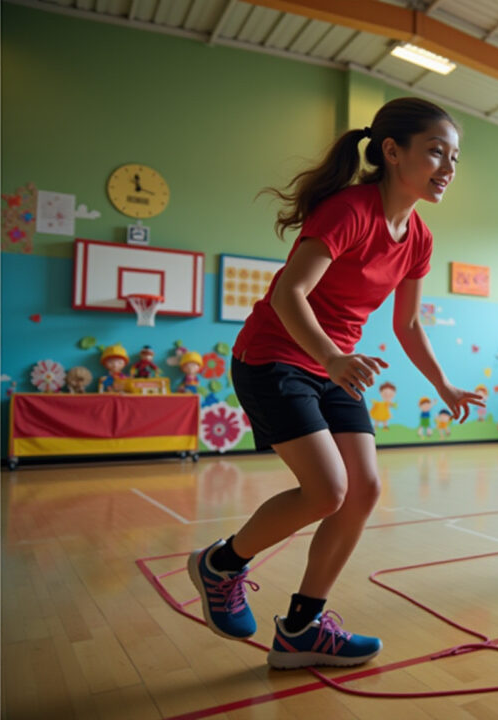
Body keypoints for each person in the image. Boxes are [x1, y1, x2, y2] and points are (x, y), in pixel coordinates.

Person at [187, 98, 483, 670]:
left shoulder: (418, 237)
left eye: (454, 157)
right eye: (436, 153)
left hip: (332, 366)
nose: (447, 167)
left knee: (363, 490)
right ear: (393, 152)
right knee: (327, 490)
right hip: (275, 355)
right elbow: (287, 294)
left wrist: (444, 385)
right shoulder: (349, 210)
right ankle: (220, 564)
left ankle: (302, 628)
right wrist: (330, 357)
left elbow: (409, 323)